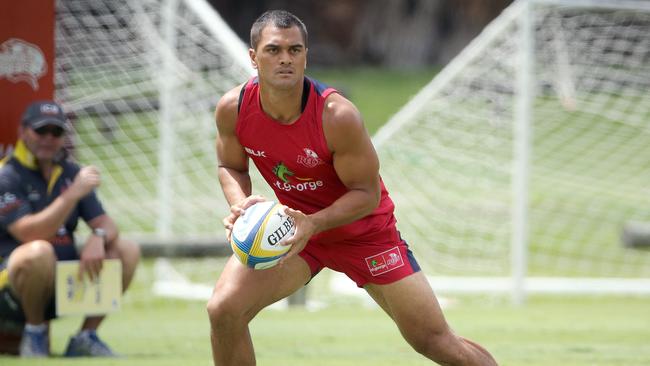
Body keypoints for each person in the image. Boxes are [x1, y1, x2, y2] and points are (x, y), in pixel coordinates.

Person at [208, 10, 498, 366]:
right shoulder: (233, 110)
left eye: (295, 50)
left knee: (433, 341)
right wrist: (241, 207)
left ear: (305, 55)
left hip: (364, 234)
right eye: (273, 50)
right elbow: (230, 165)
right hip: (293, 232)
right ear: (254, 57)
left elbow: (367, 194)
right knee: (223, 309)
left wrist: (313, 223)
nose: (285, 58)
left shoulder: (336, 115)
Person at [0, 100, 140, 357]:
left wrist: (97, 237)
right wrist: (73, 194)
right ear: (23, 132)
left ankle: (85, 337)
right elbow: (28, 234)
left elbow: (106, 224)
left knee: (126, 249)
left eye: (56, 132)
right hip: (11, 290)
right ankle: (34, 334)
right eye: (41, 131)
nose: (48, 139)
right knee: (38, 251)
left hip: (64, 283)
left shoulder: (69, 171)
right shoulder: (7, 174)